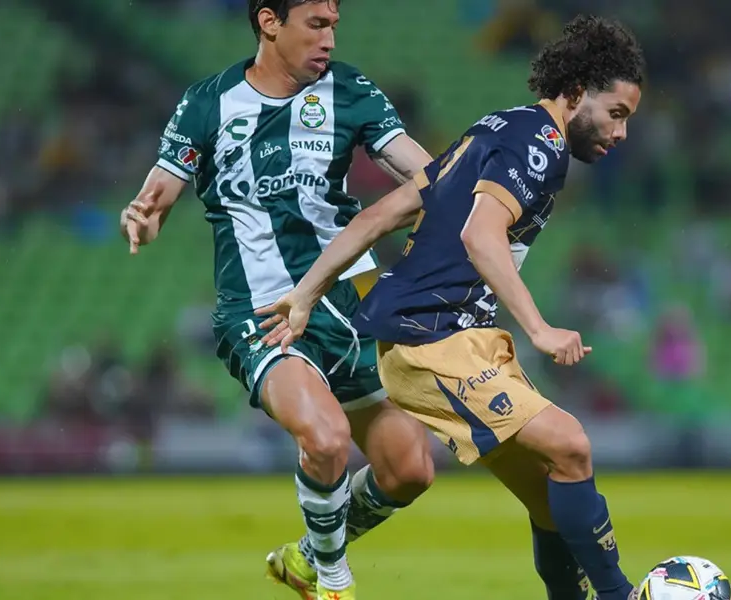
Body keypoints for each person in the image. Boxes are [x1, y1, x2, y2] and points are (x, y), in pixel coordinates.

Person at [258, 14, 646, 600]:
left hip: (445, 336)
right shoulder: (540, 143)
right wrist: (539, 329)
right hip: (434, 336)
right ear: (574, 95)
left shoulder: (492, 130)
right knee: (571, 445)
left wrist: (307, 294)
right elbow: (480, 237)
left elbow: (379, 215)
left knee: (550, 498)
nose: (620, 134)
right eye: (616, 114)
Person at [117, 2, 439, 599]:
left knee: (411, 471)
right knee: (324, 438)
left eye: (334, 25)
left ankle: (304, 556)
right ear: (269, 22)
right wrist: (144, 213)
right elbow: (158, 193)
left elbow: (421, 171)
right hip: (262, 311)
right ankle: (333, 581)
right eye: (316, 24)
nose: (330, 39)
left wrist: (464, 186)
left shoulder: (349, 89)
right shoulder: (209, 102)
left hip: (352, 303)